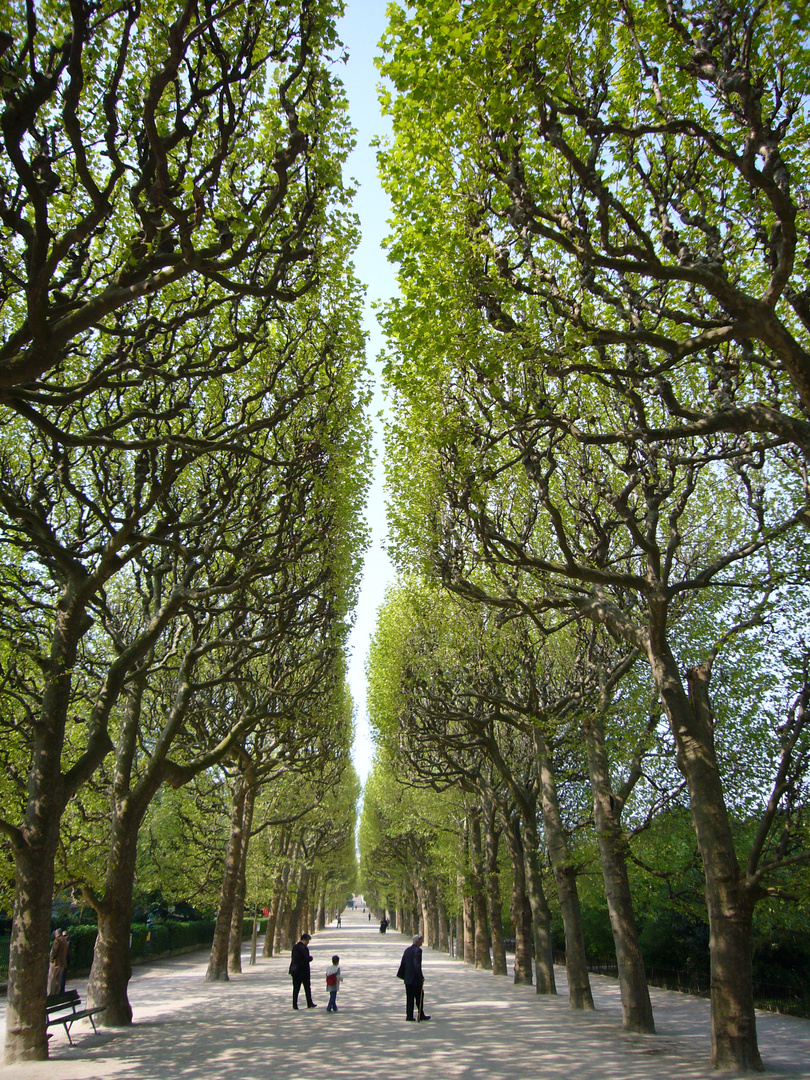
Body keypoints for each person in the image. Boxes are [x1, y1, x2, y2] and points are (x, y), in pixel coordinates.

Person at [397, 934, 430, 1021]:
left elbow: (403, 963)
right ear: (417, 941)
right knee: (419, 997)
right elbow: (417, 965)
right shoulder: (418, 951)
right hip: (415, 978)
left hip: (408, 979)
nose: (422, 942)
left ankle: (409, 1016)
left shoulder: (407, 950)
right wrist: (421, 977)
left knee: (410, 998)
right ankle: (420, 1014)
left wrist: (403, 975)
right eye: (421, 940)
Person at [289, 932, 317, 1009]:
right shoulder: (304, 948)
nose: (308, 942)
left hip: (294, 970)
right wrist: (310, 958)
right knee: (307, 988)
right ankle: (309, 1003)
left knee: (296, 988)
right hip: (303, 971)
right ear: (304, 940)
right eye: (308, 941)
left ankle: (294, 1004)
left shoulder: (295, 947)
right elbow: (306, 958)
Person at [48, 928, 69, 996]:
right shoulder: (65, 941)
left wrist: (51, 959)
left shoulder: (58, 940)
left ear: (56, 934)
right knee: (58, 980)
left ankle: (50, 994)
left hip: (56, 962)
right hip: (62, 963)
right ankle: (56, 994)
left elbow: (54, 951)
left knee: (52, 979)